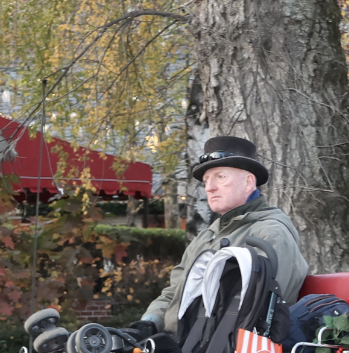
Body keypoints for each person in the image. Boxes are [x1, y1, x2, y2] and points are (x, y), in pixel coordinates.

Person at [132, 136, 308, 336]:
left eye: (220, 177)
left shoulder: (270, 233)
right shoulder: (206, 236)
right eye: (207, 180)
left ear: (248, 182)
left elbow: (254, 310)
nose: (209, 187)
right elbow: (174, 292)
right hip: (181, 343)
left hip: (222, 349)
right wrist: (149, 323)